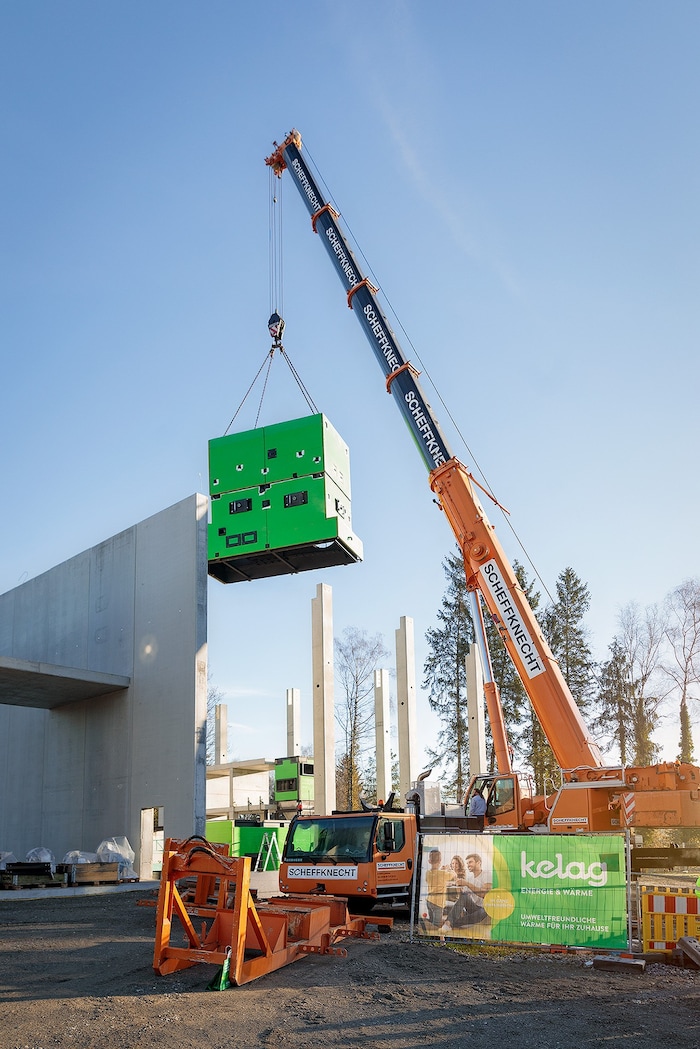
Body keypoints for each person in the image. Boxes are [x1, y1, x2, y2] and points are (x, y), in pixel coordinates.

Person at [441, 852, 492, 931]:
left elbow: (485, 894)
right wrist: (458, 886)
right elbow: (463, 898)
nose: (468, 865)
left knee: (482, 912)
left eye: (470, 862)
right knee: (464, 896)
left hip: (485, 909)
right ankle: (448, 923)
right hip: (472, 908)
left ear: (479, 862)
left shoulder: (487, 875)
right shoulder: (470, 879)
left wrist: (467, 884)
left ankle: (451, 923)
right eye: (467, 863)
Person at [425, 848, 452, 926]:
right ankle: (435, 937)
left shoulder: (428, 873)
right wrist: (448, 869)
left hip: (429, 901)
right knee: (437, 925)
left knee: (431, 922)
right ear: (440, 860)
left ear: (429, 861)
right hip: (438, 903)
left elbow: (435, 878)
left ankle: (430, 936)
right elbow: (454, 874)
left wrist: (442, 870)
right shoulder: (443, 874)